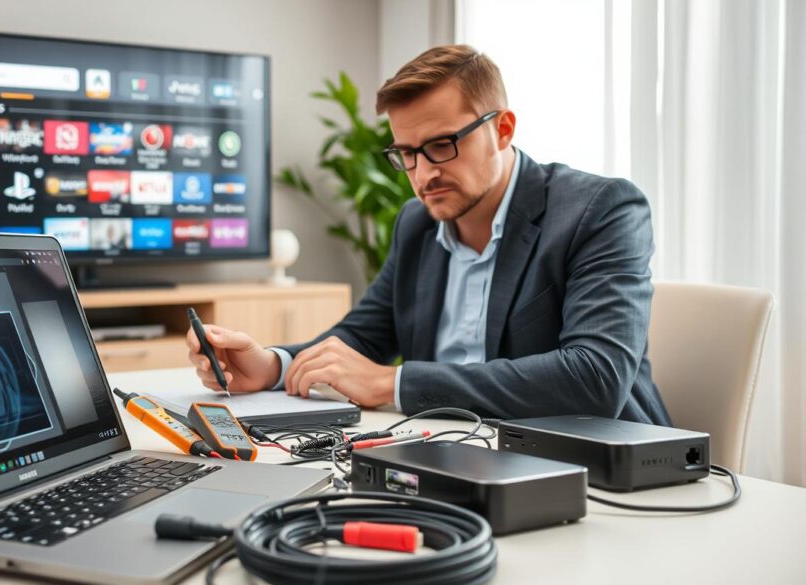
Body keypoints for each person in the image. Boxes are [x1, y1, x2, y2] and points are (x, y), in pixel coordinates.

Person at [186, 45, 671, 425]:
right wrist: (270, 366)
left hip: (604, 475)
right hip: (453, 451)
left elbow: (594, 378)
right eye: (406, 153)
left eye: (441, 145)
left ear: (503, 129)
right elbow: (362, 338)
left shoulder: (600, 210)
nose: (422, 174)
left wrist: (394, 385)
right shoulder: (417, 223)